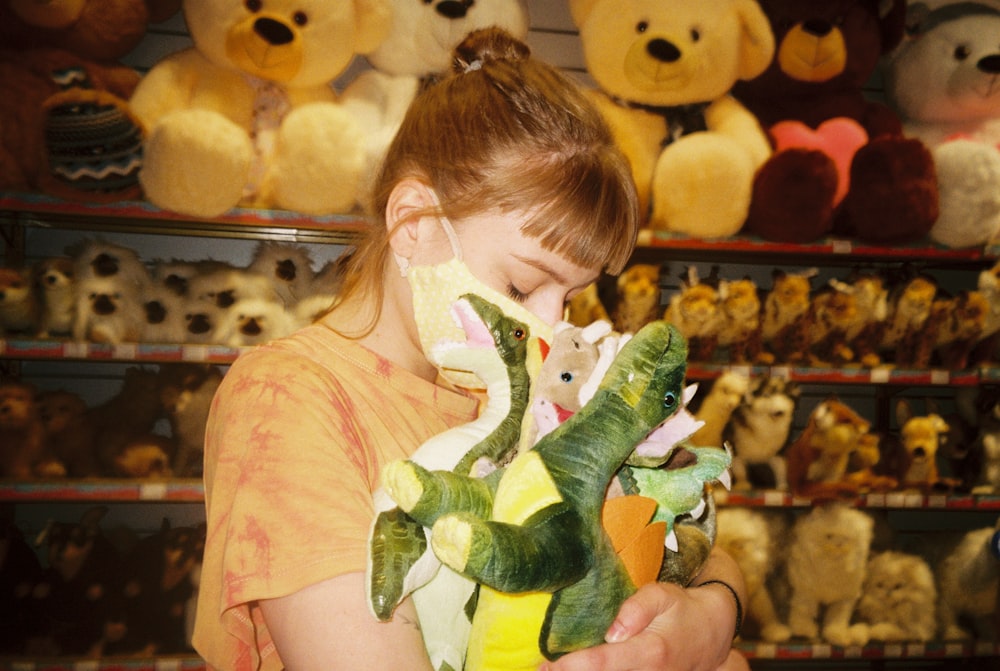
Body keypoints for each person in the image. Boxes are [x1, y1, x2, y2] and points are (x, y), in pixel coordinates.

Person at [193, 27, 749, 671]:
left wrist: (712, 614)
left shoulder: (518, 389)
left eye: (569, 299)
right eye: (523, 284)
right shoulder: (288, 399)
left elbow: (691, 531)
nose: (550, 328)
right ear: (417, 225)